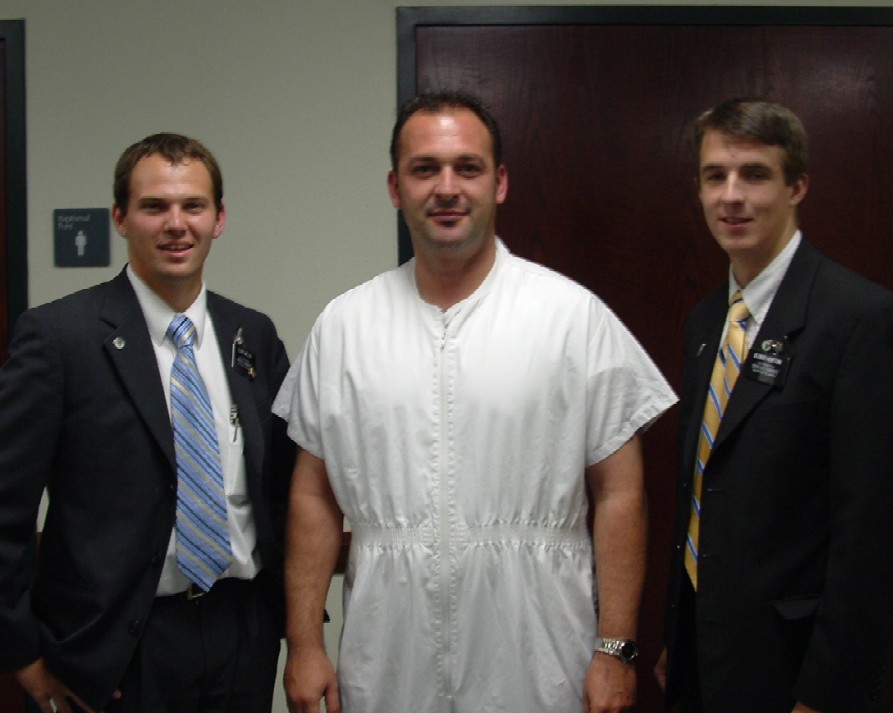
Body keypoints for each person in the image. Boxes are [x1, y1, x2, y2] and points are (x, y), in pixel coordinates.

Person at [273, 91, 677, 713]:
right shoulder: (345, 326)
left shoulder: (571, 317)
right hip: (387, 655)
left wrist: (616, 649)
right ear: (394, 186)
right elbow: (312, 495)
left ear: (500, 182)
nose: (447, 187)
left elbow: (621, 492)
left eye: (467, 167)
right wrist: (303, 642)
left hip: (540, 651)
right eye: (424, 168)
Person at [0, 133, 295, 712]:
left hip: (242, 634)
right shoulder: (60, 338)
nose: (176, 224)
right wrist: (23, 653)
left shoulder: (252, 335)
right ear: (120, 217)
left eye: (193, 206)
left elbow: (282, 488)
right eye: (154, 206)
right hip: (118, 648)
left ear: (219, 219)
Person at [656, 98, 893, 712]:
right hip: (701, 661)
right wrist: (678, 640)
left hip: (795, 671)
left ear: (798, 186)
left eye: (755, 174)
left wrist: (826, 693)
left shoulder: (859, 319)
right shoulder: (707, 319)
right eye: (715, 176)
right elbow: (705, 491)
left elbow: (869, 534)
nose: (731, 196)